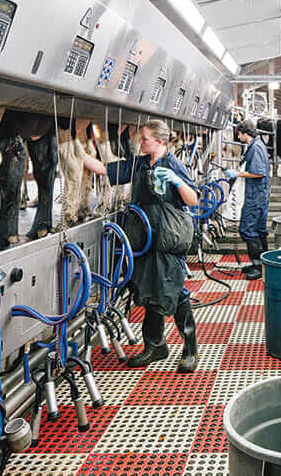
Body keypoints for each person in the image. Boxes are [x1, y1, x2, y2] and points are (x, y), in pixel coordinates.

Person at [83, 119, 199, 371]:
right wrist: (73, 152)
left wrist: (177, 182)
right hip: (145, 238)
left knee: (175, 290)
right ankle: (155, 346)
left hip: (168, 238)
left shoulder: (173, 164)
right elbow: (103, 170)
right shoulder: (139, 163)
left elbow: (193, 199)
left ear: (160, 141)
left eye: (145, 138)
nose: (140, 142)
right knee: (148, 289)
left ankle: (190, 349)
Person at [227, 119, 271, 281]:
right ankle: (262, 264)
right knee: (259, 230)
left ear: (245, 133)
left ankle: (258, 266)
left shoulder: (256, 147)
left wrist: (237, 174)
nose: (238, 137)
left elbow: (259, 172)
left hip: (256, 196)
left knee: (247, 229)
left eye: (239, 134)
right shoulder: (256, 146)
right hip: (258, 194)